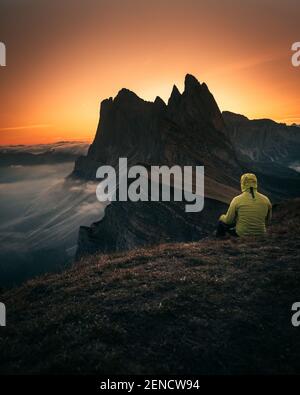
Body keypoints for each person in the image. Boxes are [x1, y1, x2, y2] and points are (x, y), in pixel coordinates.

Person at [216, 173, 272, 237]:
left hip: (241, 234)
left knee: (221, 222)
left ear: (242, 184)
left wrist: (222, 217)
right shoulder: (266, 199)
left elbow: (228, 221)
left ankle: (218, 241)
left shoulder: (237, 199)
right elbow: (268, 220)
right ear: (255, 183)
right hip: (261, 234)